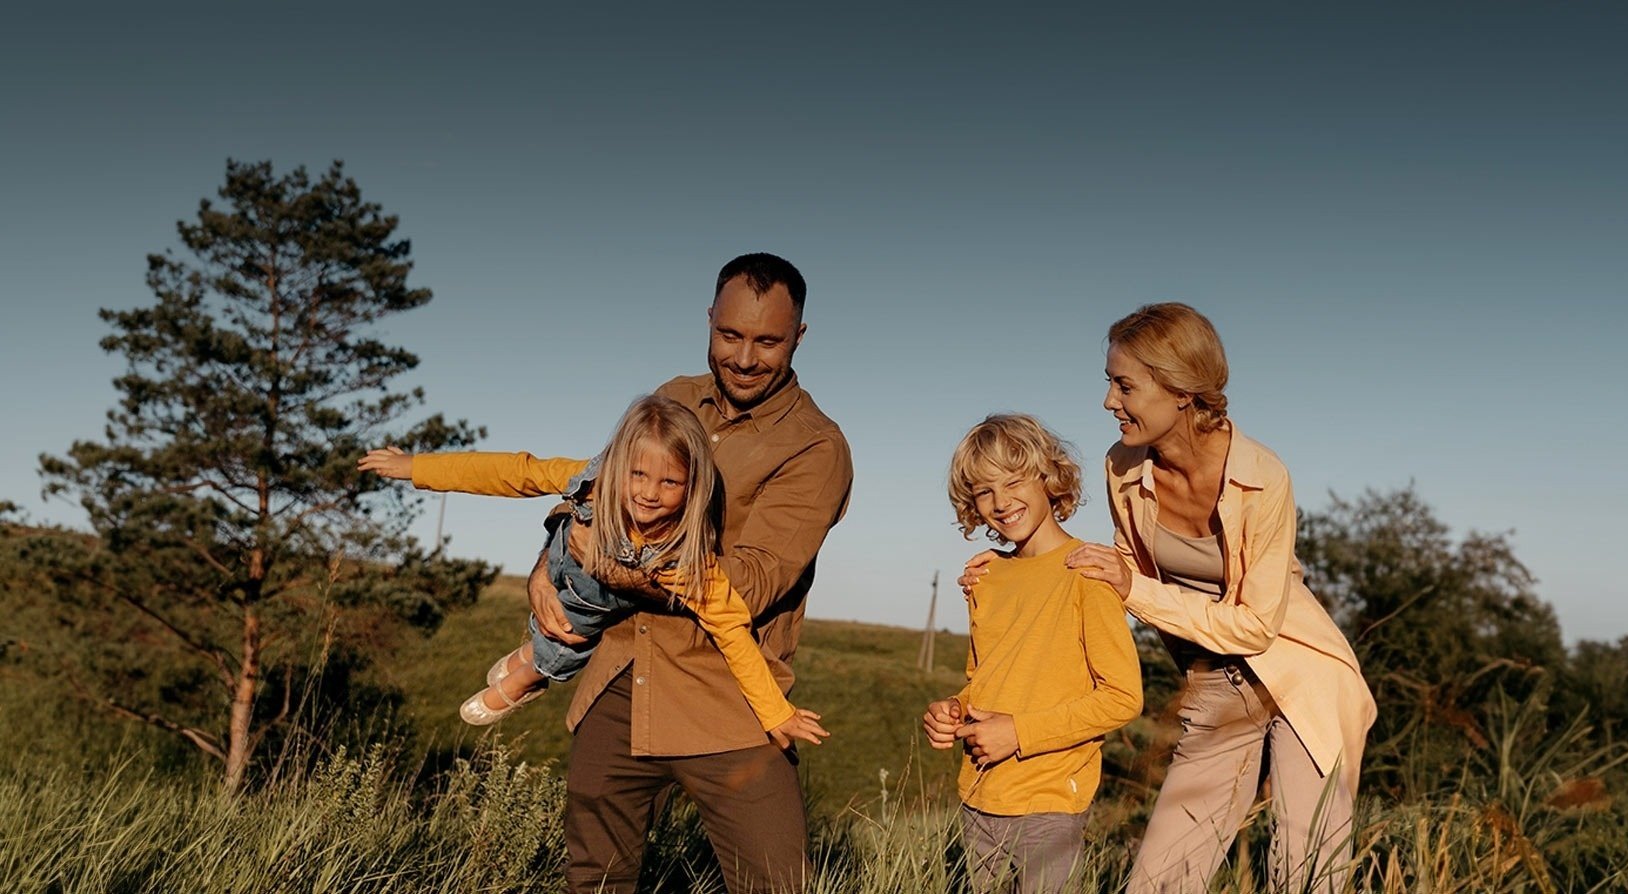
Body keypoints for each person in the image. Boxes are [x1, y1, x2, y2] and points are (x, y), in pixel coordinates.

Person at [360, 253, 850, 894]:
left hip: (730, 701)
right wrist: (546, 562)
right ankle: (534, 666)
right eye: (730, 335)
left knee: (776, 883)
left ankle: (530, 667)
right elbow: (587, 490)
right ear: (708, 319)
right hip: (620, 681)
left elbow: (751, 585)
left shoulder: (816, 447)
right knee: (593, 880)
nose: (745, 357)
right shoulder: (670, 399)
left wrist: (614, 569)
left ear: (799, 337)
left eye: (768, 341)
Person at [1072, 302, 1376, 893]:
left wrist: (1134, 588)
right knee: (1160, 881)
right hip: (1215, 681)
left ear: (1181, 390)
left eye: (1124, 385)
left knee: (1307, 878)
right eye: (1109, 383)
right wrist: (1024, 564)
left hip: (1300, 678)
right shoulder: (1121, 467)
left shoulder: (1264, 477)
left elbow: (1256, 626)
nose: (1110, 401)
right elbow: (1123, 568)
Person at [359, 395, 829, 755]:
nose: (648, 494)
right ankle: (532, 648)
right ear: (620, 465)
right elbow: (510, 473)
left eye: (670, 483)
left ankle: (534, 671)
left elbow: (733, 633)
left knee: (570, 634)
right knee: (563, 575)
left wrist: (775, 714)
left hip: (588, 605)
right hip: (565, 555)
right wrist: (415, 466)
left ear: (693, 487)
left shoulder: (686, 562)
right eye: (638, 476)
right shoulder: (594, 481)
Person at [921, 414, 1143, 894]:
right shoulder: (986, 578)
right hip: (979, 792)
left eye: (1014, 481)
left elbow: (1123, 697)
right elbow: (985, 677)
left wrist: (1018, 734)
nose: (1001, 503)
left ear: (1050, 478)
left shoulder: (1088, 571)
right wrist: (953, 710)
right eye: (984, 491)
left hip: (1050, 799)